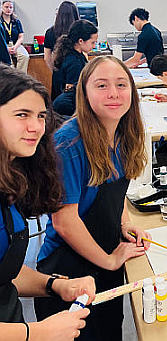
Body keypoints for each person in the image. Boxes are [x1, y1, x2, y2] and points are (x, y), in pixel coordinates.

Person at [34, 56, 152, 341]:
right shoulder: (69, 143)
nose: (113, 93)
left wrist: (123, 224)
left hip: (105, 255)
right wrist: (110, 261)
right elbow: (65, 222)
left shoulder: (124, 134)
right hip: (69, 271)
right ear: (84, 93)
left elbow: (114, 192)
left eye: (121, 84)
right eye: (102, 85)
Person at [0, 64, 96, 340]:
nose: (35, 127)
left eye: (41, 116)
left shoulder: (12, 180)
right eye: (22, 115)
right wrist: (35, 332)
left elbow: (5, 273)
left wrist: (55, 286)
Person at [52, 19, 98, 118]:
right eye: (92, 42)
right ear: (80, 41)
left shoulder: (76, 54)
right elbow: (72, 91)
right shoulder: (74, 62)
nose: (94, 46)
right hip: (67, 111)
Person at [44, 1, 80, 100]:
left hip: (58, 73)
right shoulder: (78, 32)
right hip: (75, 73)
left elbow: (47, 57)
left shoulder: (50, 32)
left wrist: (55, 70)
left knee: (59, 104)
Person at [0, 1, 29, 73]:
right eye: (6, 7)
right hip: (3, 45)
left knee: (25, 56)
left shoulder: (16, 21)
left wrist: (15, 47)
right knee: (8, 62)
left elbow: (21, 36)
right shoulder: (0, 21)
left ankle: (20, 76)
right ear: (2, 7)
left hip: (16, 44)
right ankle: (12, 78)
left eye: (11, 7)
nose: (8, 9)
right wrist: (6, 48)